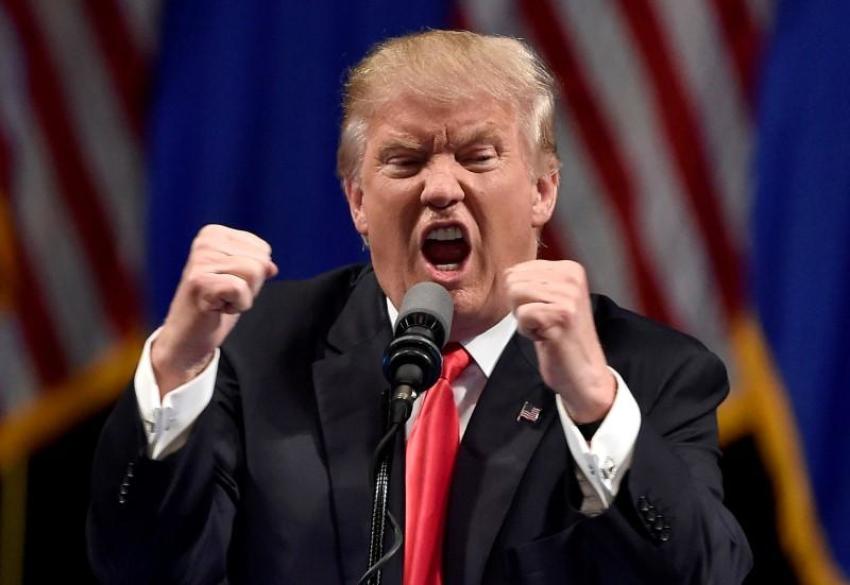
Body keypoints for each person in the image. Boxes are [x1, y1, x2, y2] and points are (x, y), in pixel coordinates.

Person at [88, 30, 752, 584]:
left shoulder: (653, 372)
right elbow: (140, 566)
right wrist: (176, 360)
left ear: (543, 191)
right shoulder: (257, 352)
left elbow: (706, 573)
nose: (440, 188)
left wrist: (594, 404)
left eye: (477, 155)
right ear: (356, 201)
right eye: (405, 161)